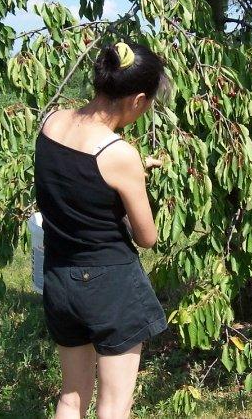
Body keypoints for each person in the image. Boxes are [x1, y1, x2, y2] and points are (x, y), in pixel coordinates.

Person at [34, 40, 170, 418]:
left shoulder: (51, 122)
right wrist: (136, 176)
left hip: (59, 278)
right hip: (110, 285)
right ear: (138, 99)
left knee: (71, 396)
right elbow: (147, 237)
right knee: (113, 406)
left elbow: (73, 189)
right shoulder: (119, 155)